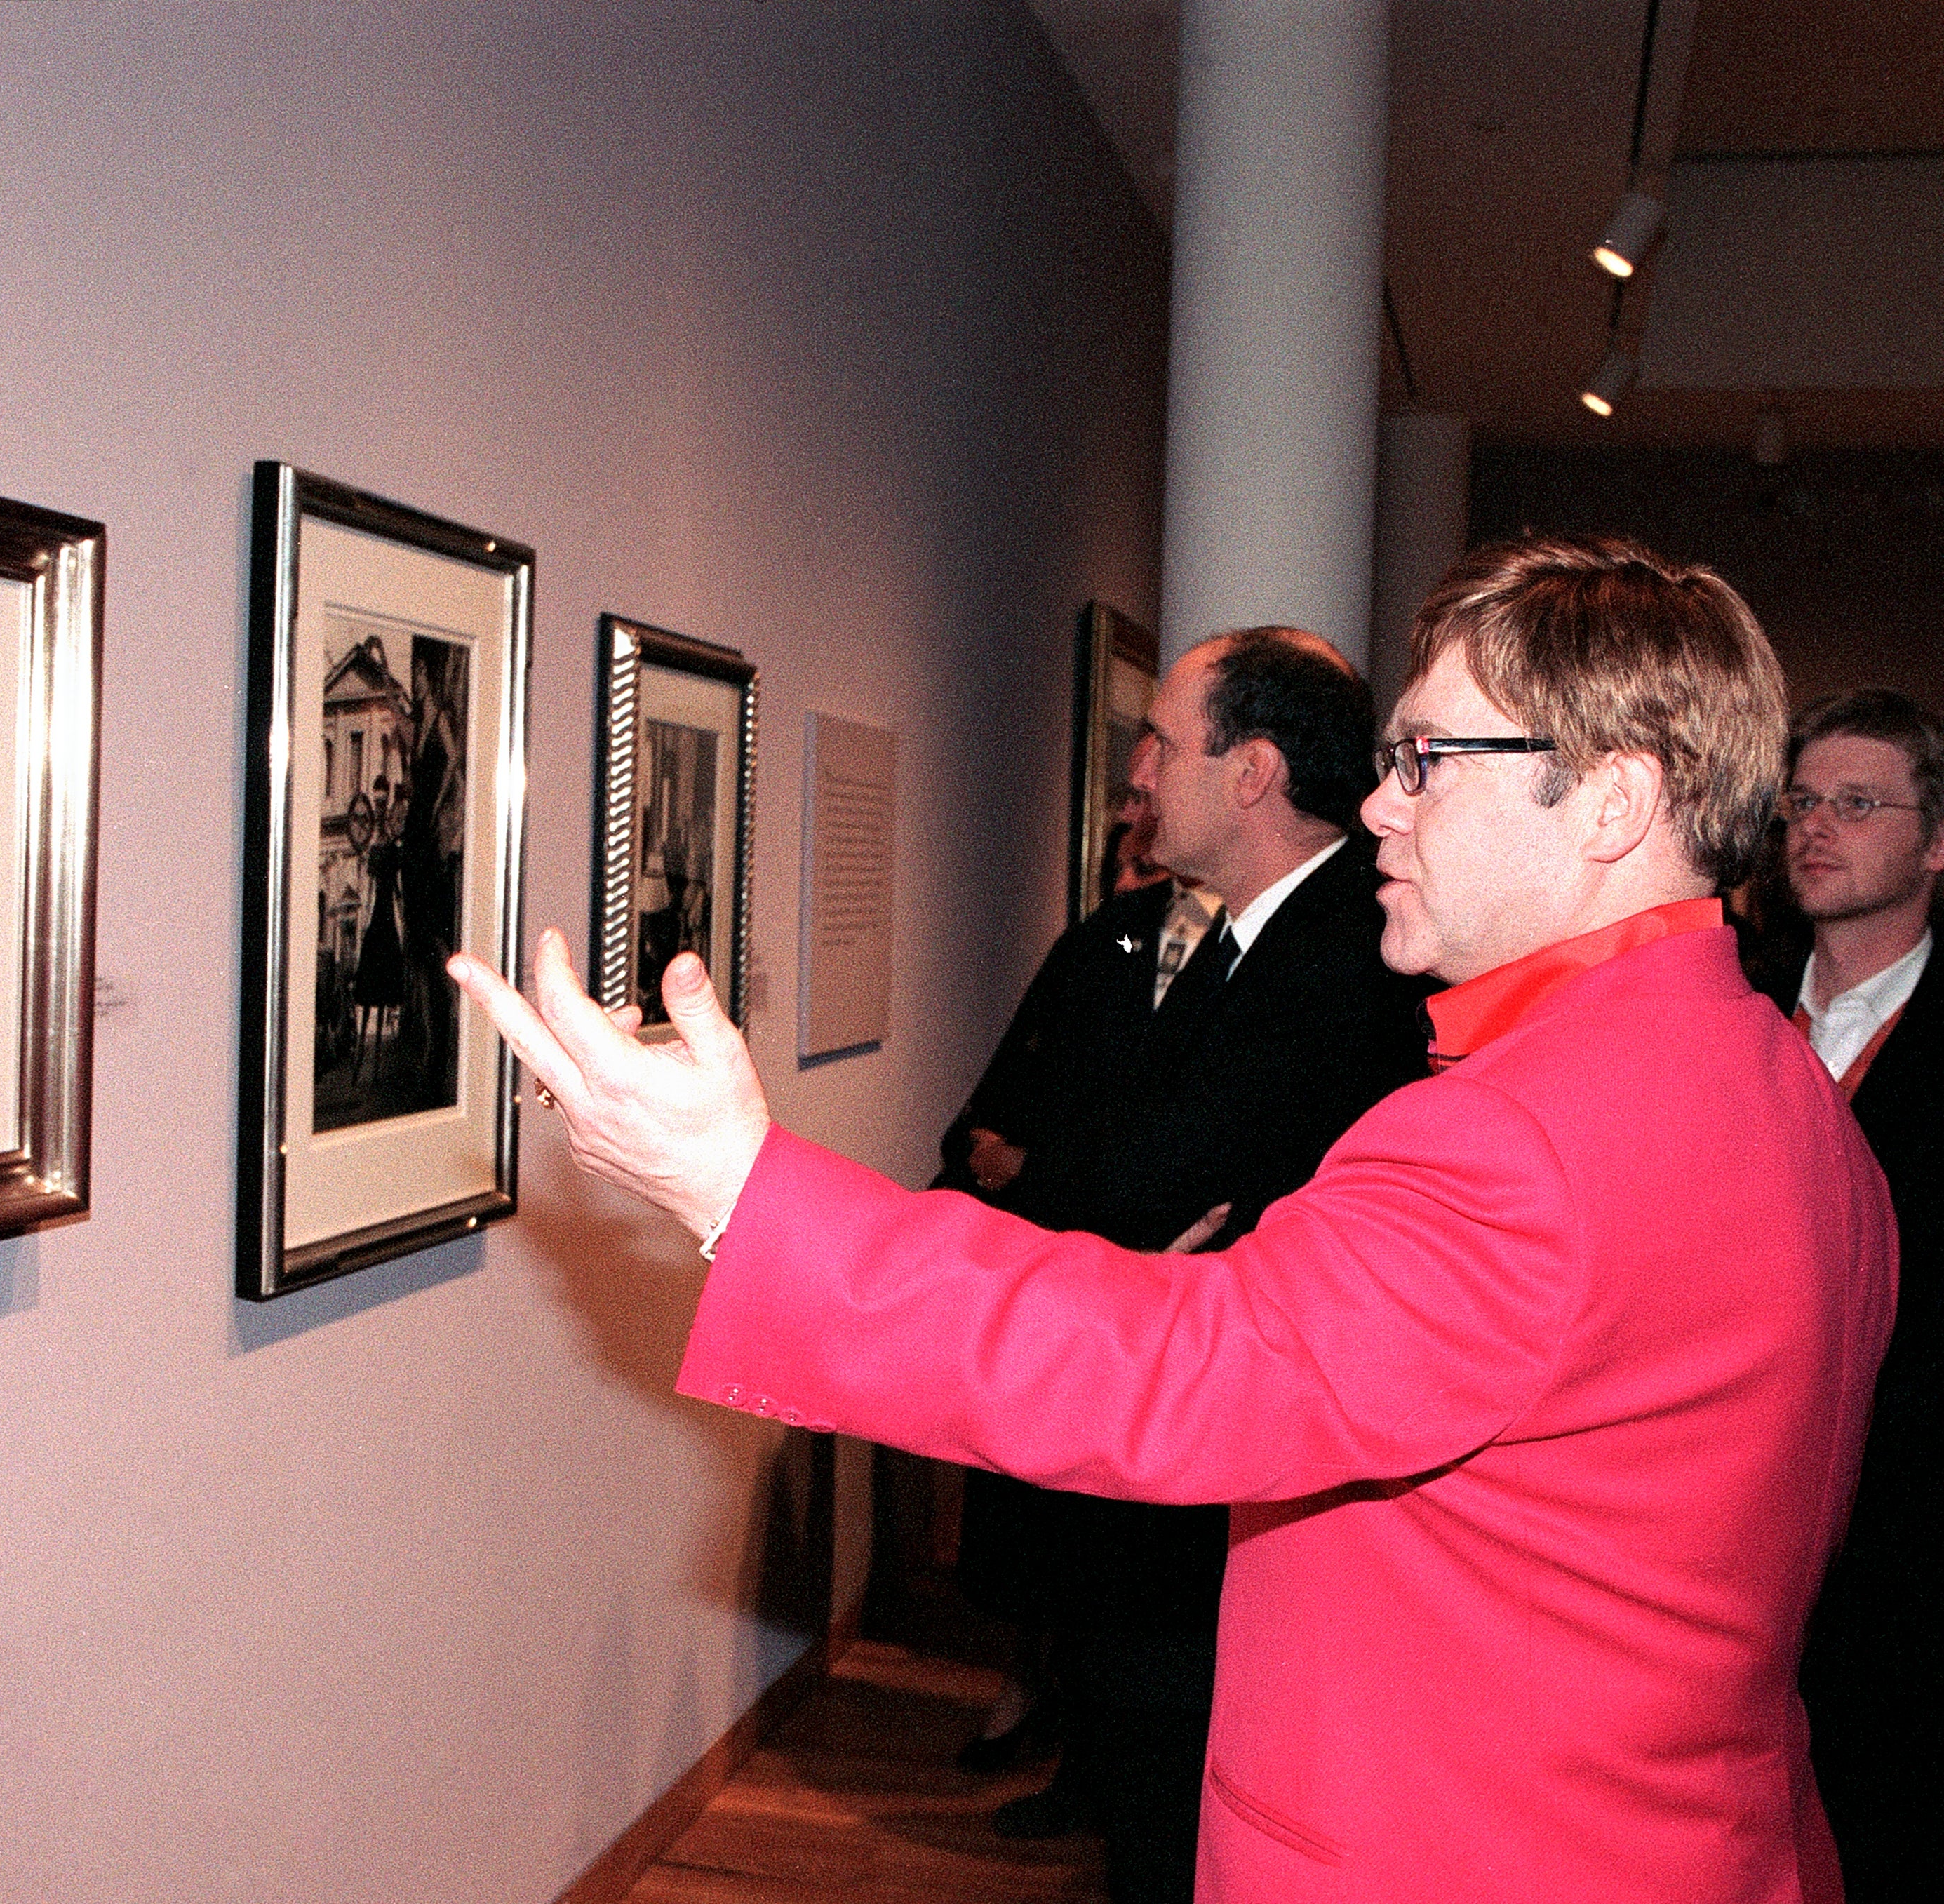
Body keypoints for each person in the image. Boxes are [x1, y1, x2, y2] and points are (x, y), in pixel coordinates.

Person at [450, 534, 1893, 1904]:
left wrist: (742, 1192)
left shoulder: (1524, 1133)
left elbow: (1174, 1369)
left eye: (1427, 761)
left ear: (1615, 801)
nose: (1382, 803)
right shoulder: (1790, 1096)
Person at [932, 631, 1430, 1889]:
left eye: (1163, 739)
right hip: (1180, 1477)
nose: (1140, 770)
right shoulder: (1250, 935)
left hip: (1233, 1503)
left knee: (1179, 1823)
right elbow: (1131, 1180)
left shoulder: (1351, 956)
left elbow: (1224, 1210)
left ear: (1252, 769)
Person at [1771, 689, 1943, 1902]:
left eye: (1858, 802)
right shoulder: (1728, 1011)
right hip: (1726, 1525)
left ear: (1936, 841)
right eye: (1802, 801)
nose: (1817, 826)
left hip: (1904, 1551)